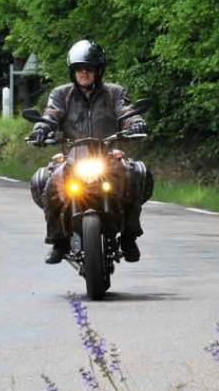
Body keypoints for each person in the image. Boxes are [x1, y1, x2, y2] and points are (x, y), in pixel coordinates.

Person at [28, 40, 153, 264]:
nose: (84, 74)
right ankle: (59, 241)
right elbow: (50, 115)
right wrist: (40, 129)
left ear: (98, 71)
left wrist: (135, 122)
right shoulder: (61, 94)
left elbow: (127, 111)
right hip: (72, 158)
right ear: (72, 72)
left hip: (107, 155)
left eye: (88, 69)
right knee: (47, 182)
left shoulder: (115, 92)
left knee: (135, 174)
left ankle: (129, 236)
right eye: (79, 69)